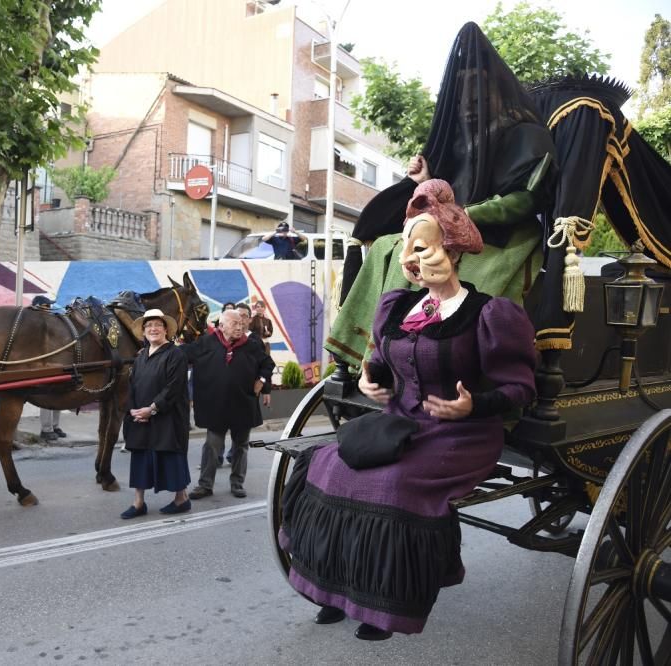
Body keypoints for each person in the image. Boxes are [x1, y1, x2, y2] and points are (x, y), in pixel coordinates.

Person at [280, 179, 536, 640]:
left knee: (391, 484)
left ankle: (383, 605)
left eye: (423, 249)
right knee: (325, 465)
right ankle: (333, 590)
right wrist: (368, 377)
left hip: (462, 434)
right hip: (402, 424)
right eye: (409, 252)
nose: (412, 261)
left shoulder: (488, 314)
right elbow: (382, 360)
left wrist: (474, 404)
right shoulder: (400, 307)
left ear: (454, 252)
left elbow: (519, 388)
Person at [325, 22, 554, 371]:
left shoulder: (528, 136)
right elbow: (450, 191)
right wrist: (426, 180)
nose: (470, 109)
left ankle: (459, 358)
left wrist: (461, 216)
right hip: (447, 227)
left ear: (498, 95)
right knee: (387, 247)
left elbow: (525, 200)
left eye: (478, 100)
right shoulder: (462, 141)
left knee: (456, 262)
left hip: (505, 238)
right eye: (464, 103)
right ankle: (378, 351)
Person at [185, 309, 274, 500]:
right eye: (234, 323)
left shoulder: (251, 345)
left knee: (241, 446)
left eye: (241, 323)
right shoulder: (207, 343)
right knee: (212, 446)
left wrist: (262, 380)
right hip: (216, 406)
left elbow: (268, 364)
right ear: (222, 326)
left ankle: (237, 483)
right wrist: (160, 349)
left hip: (243, 404)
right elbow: (183, 354)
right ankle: (205, 485)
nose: (240, 327)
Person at [120, 308, 192, 519]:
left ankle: (181, 499)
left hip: (167, 417)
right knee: (141, 457)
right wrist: (134, 410)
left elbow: (173, 387)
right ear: (143, 332)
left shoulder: (175, 354)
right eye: (149, 326)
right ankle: (138, 502)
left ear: (166, 330)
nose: (153, 329)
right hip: (141, 417)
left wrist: (152, 409)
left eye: (158, 325)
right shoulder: (141, 357)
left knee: (171, 456)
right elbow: (132, 385)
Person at [31, 295, 68, 442]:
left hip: (53, 362)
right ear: (40, 306)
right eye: (47, 306)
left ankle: (54, 426)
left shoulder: (47, 321)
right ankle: (46, 429)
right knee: (47, 396)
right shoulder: (34, 322)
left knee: (57, 394)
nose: (50, 308)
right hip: (42, 364)